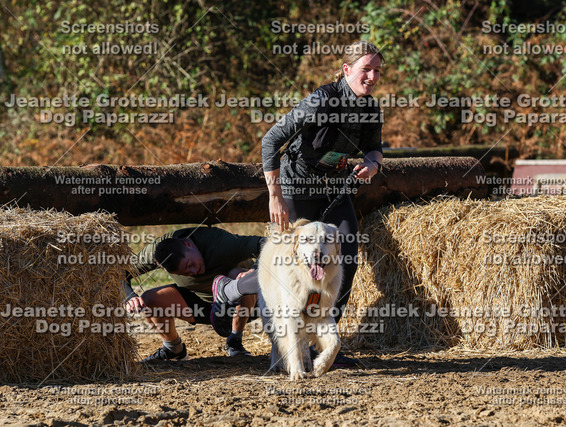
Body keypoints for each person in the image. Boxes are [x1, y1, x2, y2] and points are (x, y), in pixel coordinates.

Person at [260, 40, 385, 367]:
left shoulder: (371, 108)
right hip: (297, 186)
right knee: (285, 264)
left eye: (377, 71)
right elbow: (271, 140)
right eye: (366, 69)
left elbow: (374, 148)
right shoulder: (320, 100)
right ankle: (283, 348)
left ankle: (323, 344)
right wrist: (275, 195)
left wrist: (373, 164)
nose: (372, 77)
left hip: (334, 188)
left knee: (346, 257)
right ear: (346, 69)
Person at [124, 226, 265, 362]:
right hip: (202, 306)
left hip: (244, 306)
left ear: (188, 244)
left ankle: (235, 341)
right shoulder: (155, 253)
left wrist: (253, 271)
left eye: (190, 264)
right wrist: (130, 298)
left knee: (238, 275)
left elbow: (265, 243)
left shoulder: (219, 242)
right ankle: (173, 348)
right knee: (148, 299)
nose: (193, 271)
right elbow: (121, 273)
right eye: (185, 273)